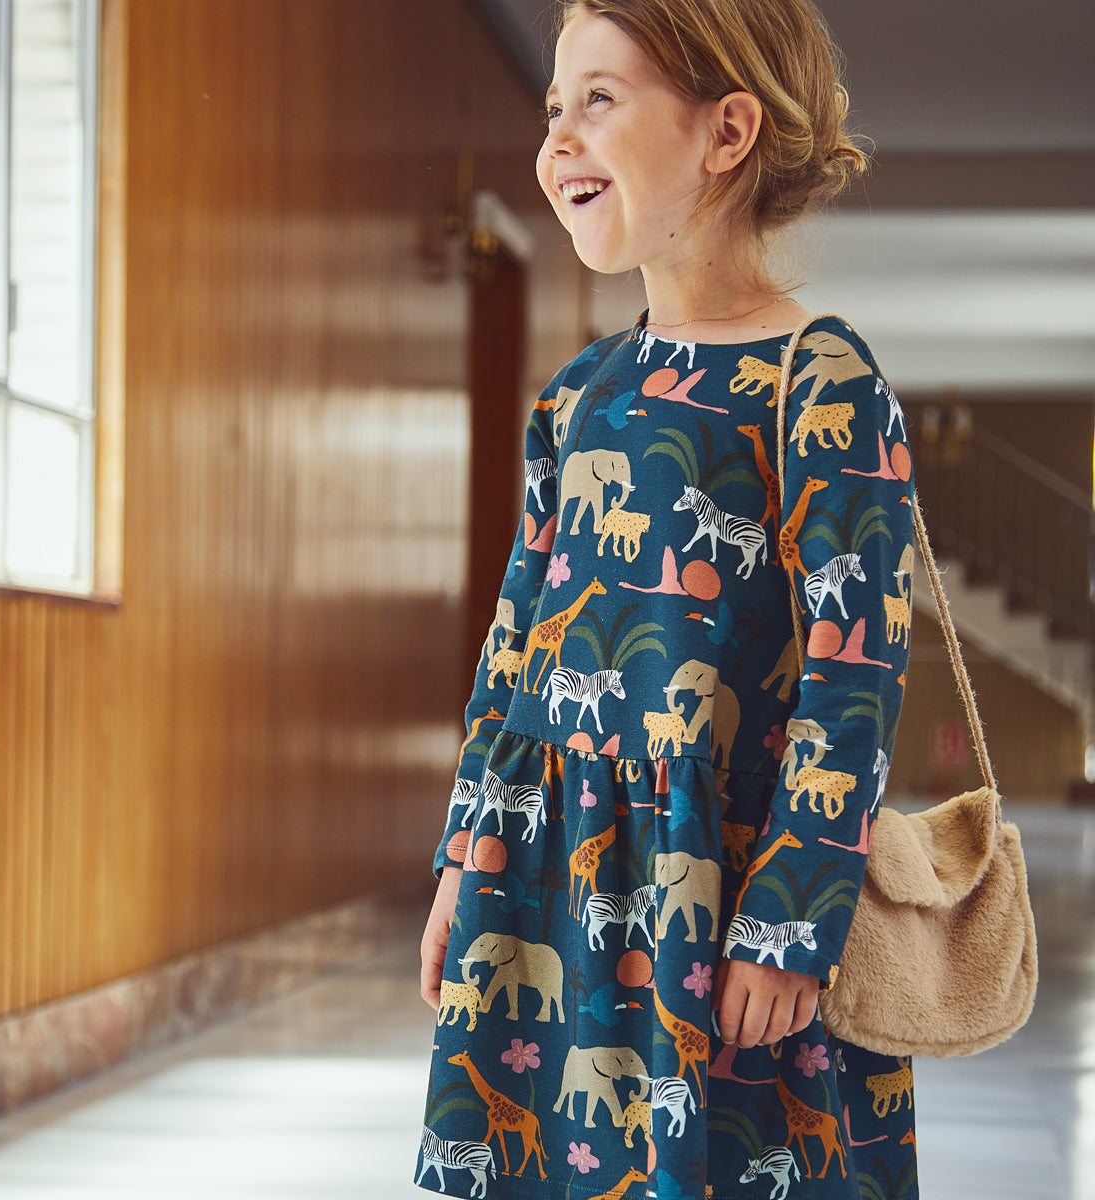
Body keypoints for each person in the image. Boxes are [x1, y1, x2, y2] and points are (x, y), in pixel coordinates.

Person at [416, 2, 917, 1197]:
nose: (558, 140)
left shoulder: (818, 378)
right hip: (547, 872)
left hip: (723, 901)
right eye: (554, 107)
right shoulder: (577, 395)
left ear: (726, 131)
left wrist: (789, 914)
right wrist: (463, 854)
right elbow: (513, 650)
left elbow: (855, 672)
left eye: (598, 100)